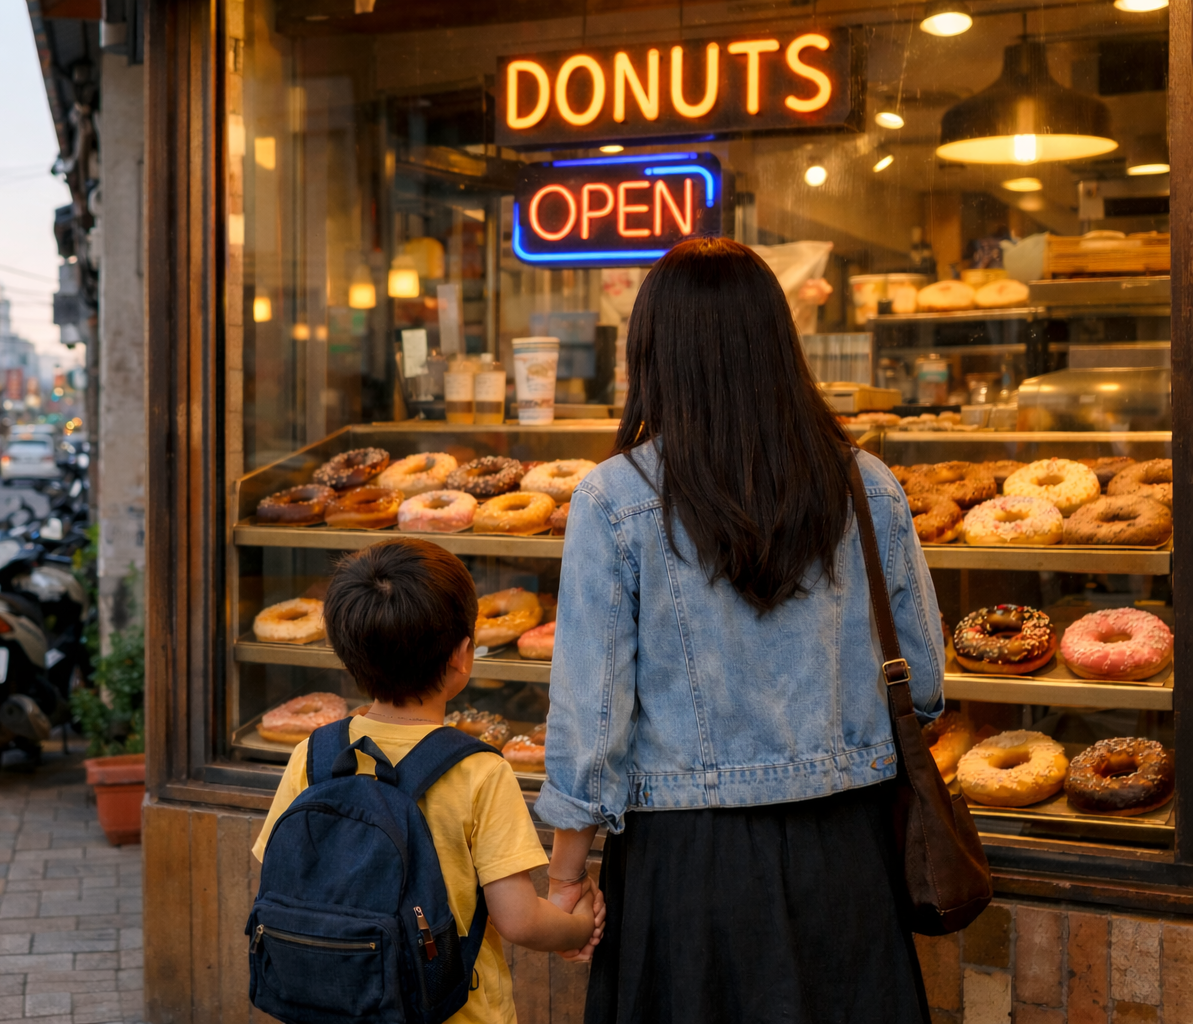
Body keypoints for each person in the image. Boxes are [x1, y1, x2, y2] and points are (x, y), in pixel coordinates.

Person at [538, 237, 946, 1024]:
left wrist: (567, 878)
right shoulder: (868, 483)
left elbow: (592, 726)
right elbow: (922, 687)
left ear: (652, 351)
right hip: (849, 854)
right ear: (780, 344)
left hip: (685, 865)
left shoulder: (615, 498)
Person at [252, 538, 604, 1024]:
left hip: (333, 1006)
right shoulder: (478, 771)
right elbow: (520, 920)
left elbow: (277, 875)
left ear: (343, 651)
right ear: (463, 654)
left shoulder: (313, 755)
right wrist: (578, 926)